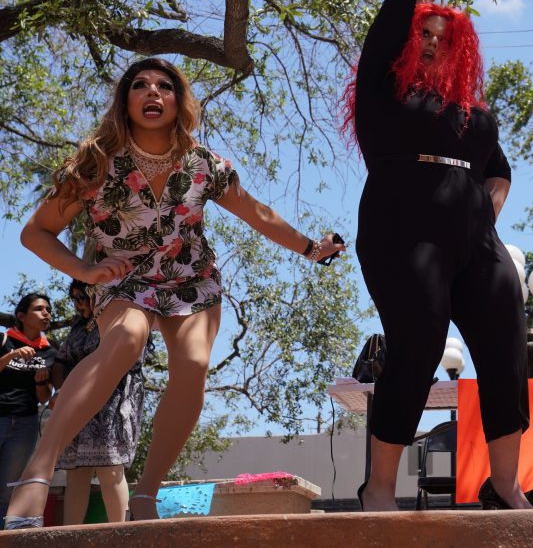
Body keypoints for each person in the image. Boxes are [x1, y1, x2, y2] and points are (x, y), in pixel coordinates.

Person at [5, 57, 345, 529]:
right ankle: (36, 473)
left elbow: (257, 213)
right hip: (125, 280)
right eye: (139, 85)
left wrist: (311, 248)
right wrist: (85, 268)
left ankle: (145, 496)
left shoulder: (205, 164)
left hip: (191, 280)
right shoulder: (95, 162)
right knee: (126, 339)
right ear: (126, 100)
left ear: (178, 101)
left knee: (194, 366)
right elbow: (36, 232)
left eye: (164, 86)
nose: (152, 93)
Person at [342, 0, 530, 511]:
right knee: (418, 342)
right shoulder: (382, 93)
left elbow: (499, 174)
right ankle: (379, 488)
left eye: (441, 39)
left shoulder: (476, 115)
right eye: (422, 33)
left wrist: (482, 219)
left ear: (460, 51)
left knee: (505, 337)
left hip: (474, 237)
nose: (428, 42)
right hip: (402, 227)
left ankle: (504, 485)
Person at [52, 279, 149, 524]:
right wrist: (62, 388)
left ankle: (121, 532)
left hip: (112, 403)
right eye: (74, 299)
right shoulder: (78, 328)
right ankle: (71, 535)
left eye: (82, 298)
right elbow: (62, 361)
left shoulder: (122, 319)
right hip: (76, 404)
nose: (78, 304)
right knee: (76, 471)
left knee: (110, 467)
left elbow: (128, 360)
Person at [0, 293, 56, 527]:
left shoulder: (49, 351)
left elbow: (44, 398)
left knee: (7, 487)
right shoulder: (4, 340)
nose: (46, 313)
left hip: (26, 423)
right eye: (39, 309)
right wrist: (11, 355)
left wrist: (41, 383)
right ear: (21, 316)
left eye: (48, 309)